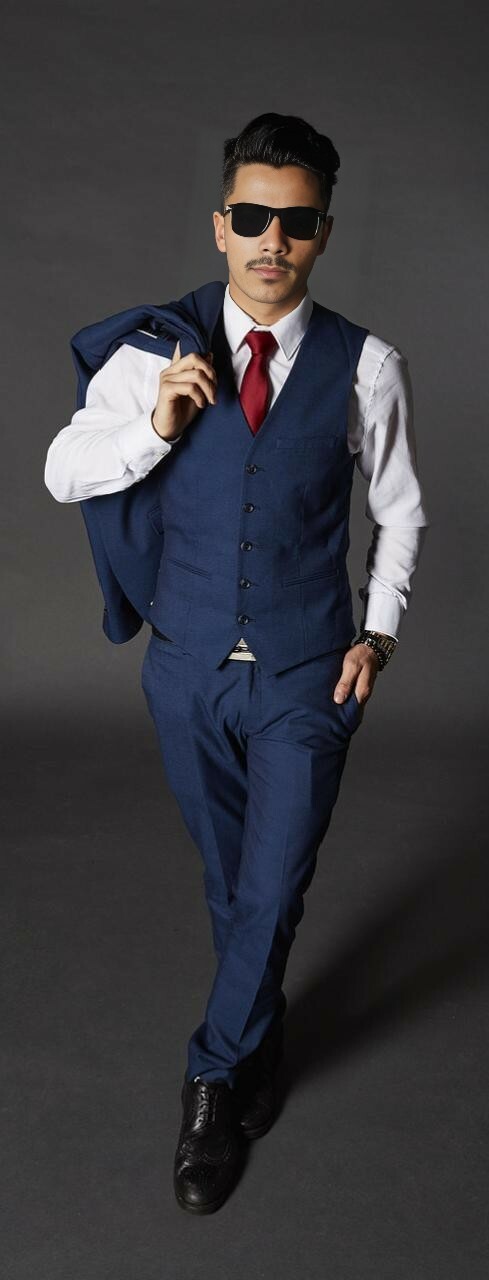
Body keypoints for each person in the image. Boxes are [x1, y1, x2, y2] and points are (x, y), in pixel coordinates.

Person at [44, 111, 430, 1215]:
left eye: (295, 222)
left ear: (323, 233)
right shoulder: (154, 351)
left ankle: (213, 1077)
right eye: (252, 218)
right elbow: (63, 472)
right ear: (221, 225)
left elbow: (399, 510)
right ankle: (261, 1035)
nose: (273, 241)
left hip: (310, 675)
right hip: (187, 671)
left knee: (272, 881)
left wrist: (379, 631)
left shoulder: (367, 365)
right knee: (231, 882)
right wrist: (155, 429)